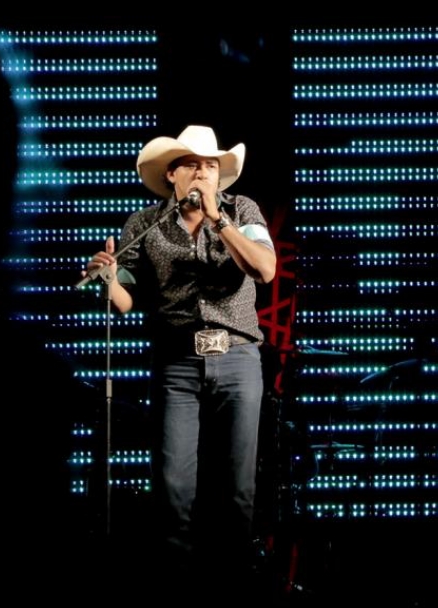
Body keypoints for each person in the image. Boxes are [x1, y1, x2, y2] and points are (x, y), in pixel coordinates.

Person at [83, 125, 276, 596]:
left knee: (237, 484)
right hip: (177, 362)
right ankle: (176, 588)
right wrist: (108, 279)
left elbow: (265, 270)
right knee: (172, 485)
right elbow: (126, 301)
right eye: (192, 164)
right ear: (172, 174)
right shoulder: (145, 223)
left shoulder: (241, 210)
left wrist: (219, 222)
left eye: (210, 166)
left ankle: (237, 583)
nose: (202, 173)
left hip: (236, 356)